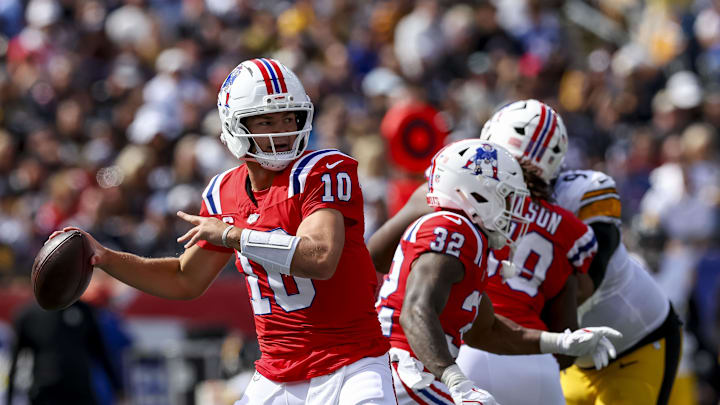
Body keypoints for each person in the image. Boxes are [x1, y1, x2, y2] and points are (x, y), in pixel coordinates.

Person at [51, 58, 394, 405]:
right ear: (235, 125)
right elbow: (184, 278)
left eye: (290, 118)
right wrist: (106, 258)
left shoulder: (322, 170)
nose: (283, 131)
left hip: (352, 365)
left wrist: (233, 235)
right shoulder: (222, 193)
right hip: (277, 376)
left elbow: (320, 257)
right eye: (267, 121)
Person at [374, 139, 621, 405]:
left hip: (406, 368)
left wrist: (560, 342)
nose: (514, 209)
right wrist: (456, 381)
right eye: (506, 196)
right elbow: (416, 311)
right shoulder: (453, 228)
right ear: (473, 193)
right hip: (400, 367)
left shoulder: (469, 237)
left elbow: (489, 330)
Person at [481, 100, 683, 405]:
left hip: (634, 345)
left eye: (513, 166)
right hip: (566, 354)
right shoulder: (478, 198)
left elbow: (587, 281)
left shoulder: (581, 192)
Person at [5, 300, 123, 405]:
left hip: (81, 392)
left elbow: (101, 352)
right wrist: (9, 398)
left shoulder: (84, 310)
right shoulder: (28, 314)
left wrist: (118, 388)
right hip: (44, 393)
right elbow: (15, 359)